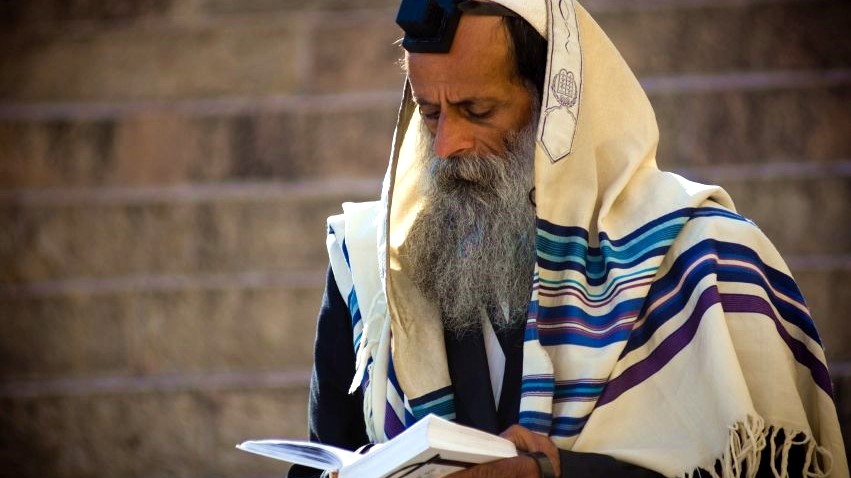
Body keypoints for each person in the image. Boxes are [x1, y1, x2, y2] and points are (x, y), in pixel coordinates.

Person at [289, 1, 848, 477]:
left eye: (477, 111)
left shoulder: (704, 256)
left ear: (561, 109)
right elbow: (321, 459)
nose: (446, 147)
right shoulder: (372, 265)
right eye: (431, 115)